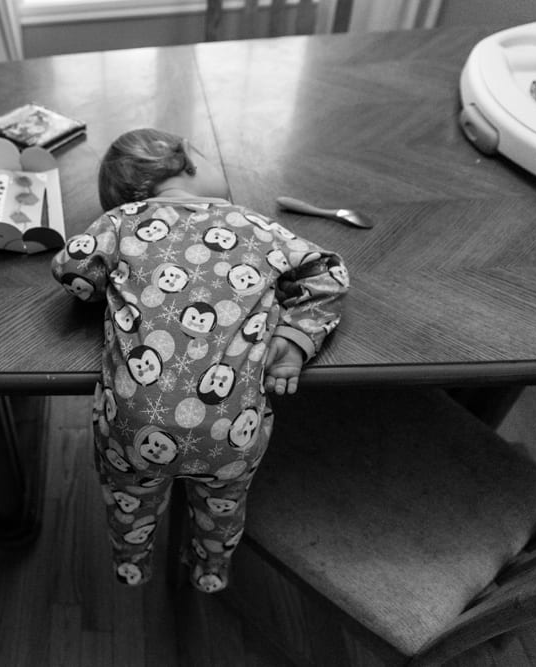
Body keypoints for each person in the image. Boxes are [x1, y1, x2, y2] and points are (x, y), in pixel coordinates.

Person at [51, 128, 349, 593]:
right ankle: (211, 569)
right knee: (224, 504)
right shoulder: (257, 226)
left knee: (128, 503)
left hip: (130, 427)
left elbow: (71, 268)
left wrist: (108, 285)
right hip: (231, 431)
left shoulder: (119, 222)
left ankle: (132, 564)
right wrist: (294, 337)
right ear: (185, 162)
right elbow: (329, 272)